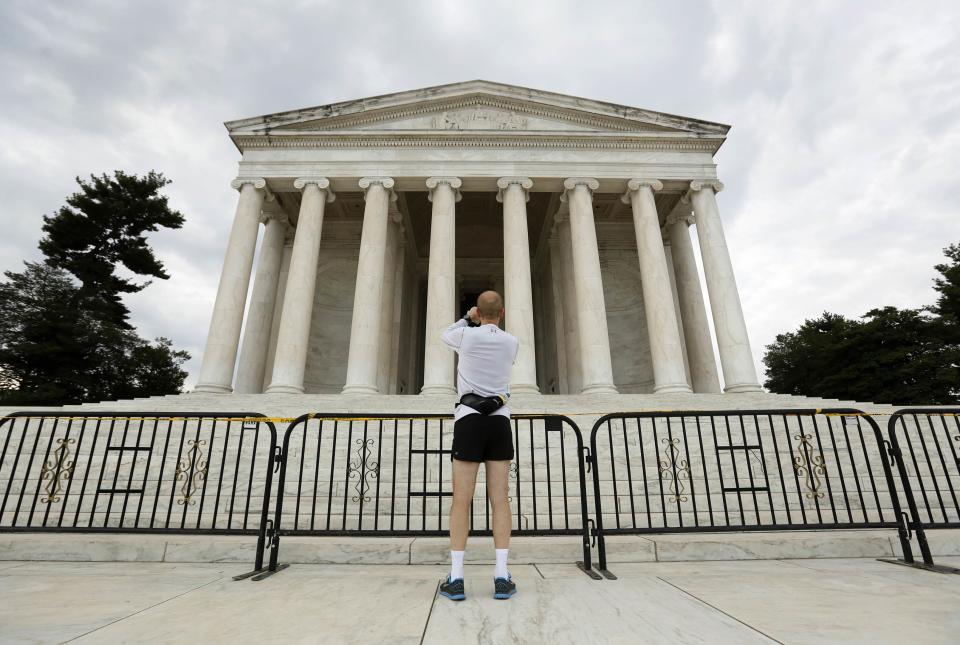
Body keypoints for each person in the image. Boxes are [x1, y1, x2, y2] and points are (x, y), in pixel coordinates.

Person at [437, 290, 519, 601]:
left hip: (469, 419)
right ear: (503, 313)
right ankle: (501, 574)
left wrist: (467, 319)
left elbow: (446, 334)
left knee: (462, 499)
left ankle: (457, 577)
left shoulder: (466, 337)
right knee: (500, 500)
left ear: (478, 312)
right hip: (499, 420)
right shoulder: (511, 342)